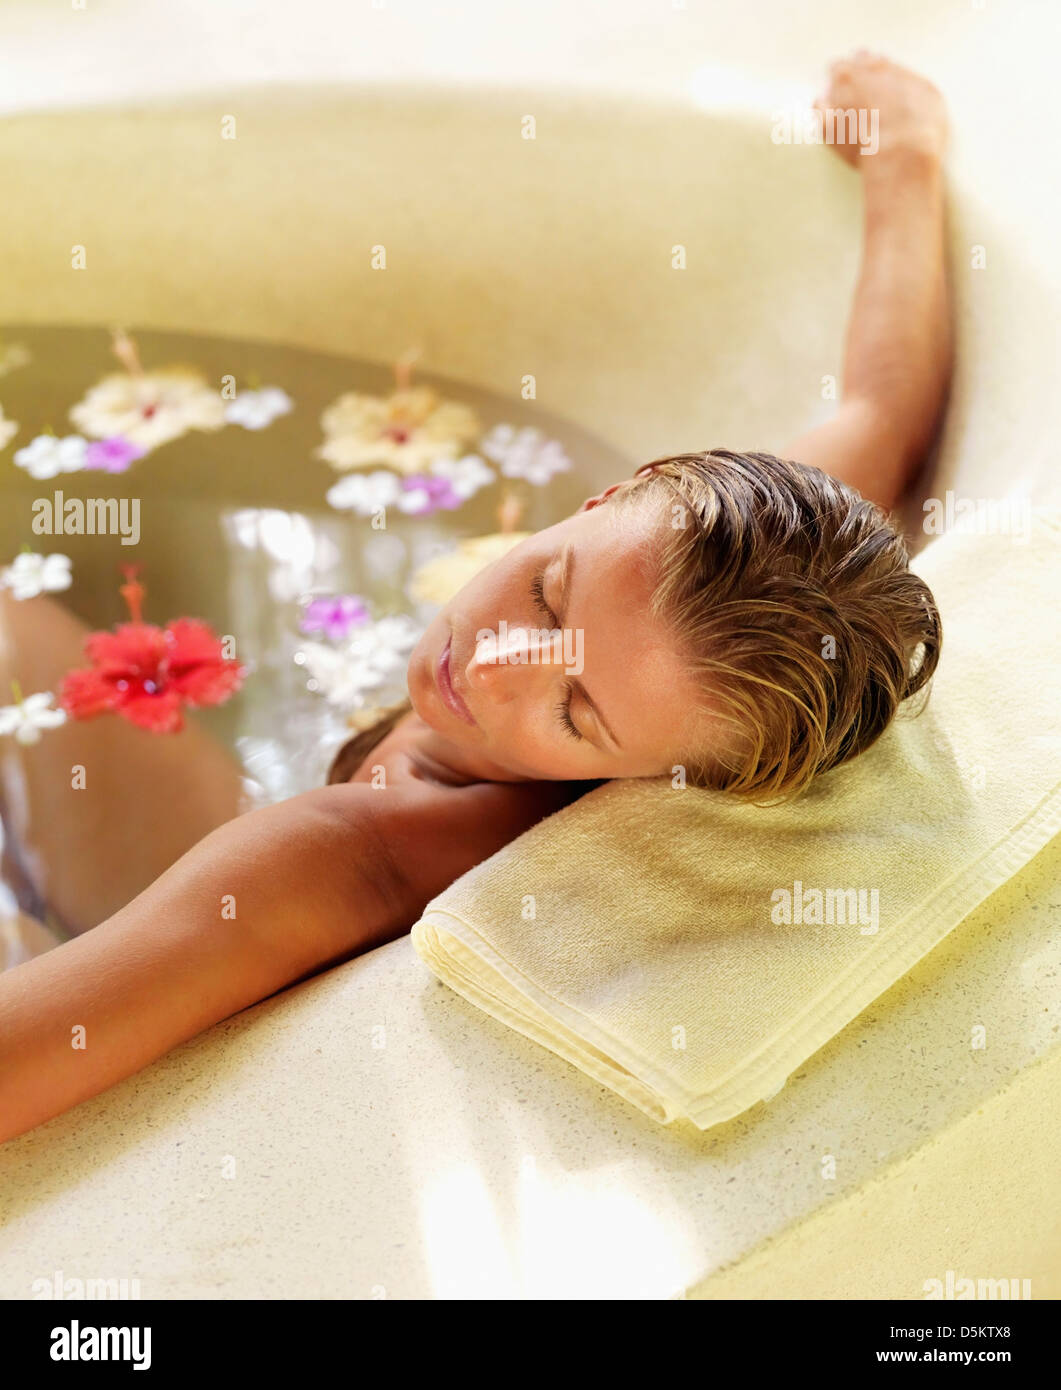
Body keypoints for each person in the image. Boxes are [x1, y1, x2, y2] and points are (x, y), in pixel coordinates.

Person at [0, 52, 951, 1143]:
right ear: (615, 492)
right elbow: (882, 412)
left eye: (575, 711)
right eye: (548, 591)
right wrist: (904, 163)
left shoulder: (347, 850)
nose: (494, 664)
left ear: (649, 777)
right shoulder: (721, 622)